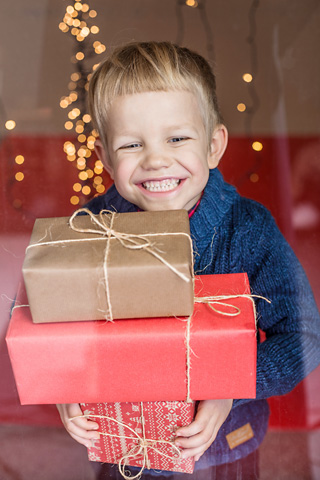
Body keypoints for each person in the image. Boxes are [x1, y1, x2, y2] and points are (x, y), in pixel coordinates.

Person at [57, 41, 320, 479]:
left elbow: (304, 337)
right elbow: (45, 325)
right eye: (131, 145)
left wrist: (227, 388)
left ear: (214, 145)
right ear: (104, 157)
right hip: (126, 451)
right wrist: (66, 387)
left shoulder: (249, 230)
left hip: (225, 450)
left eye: (177, 138)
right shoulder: (87, 228)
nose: (156, 159)